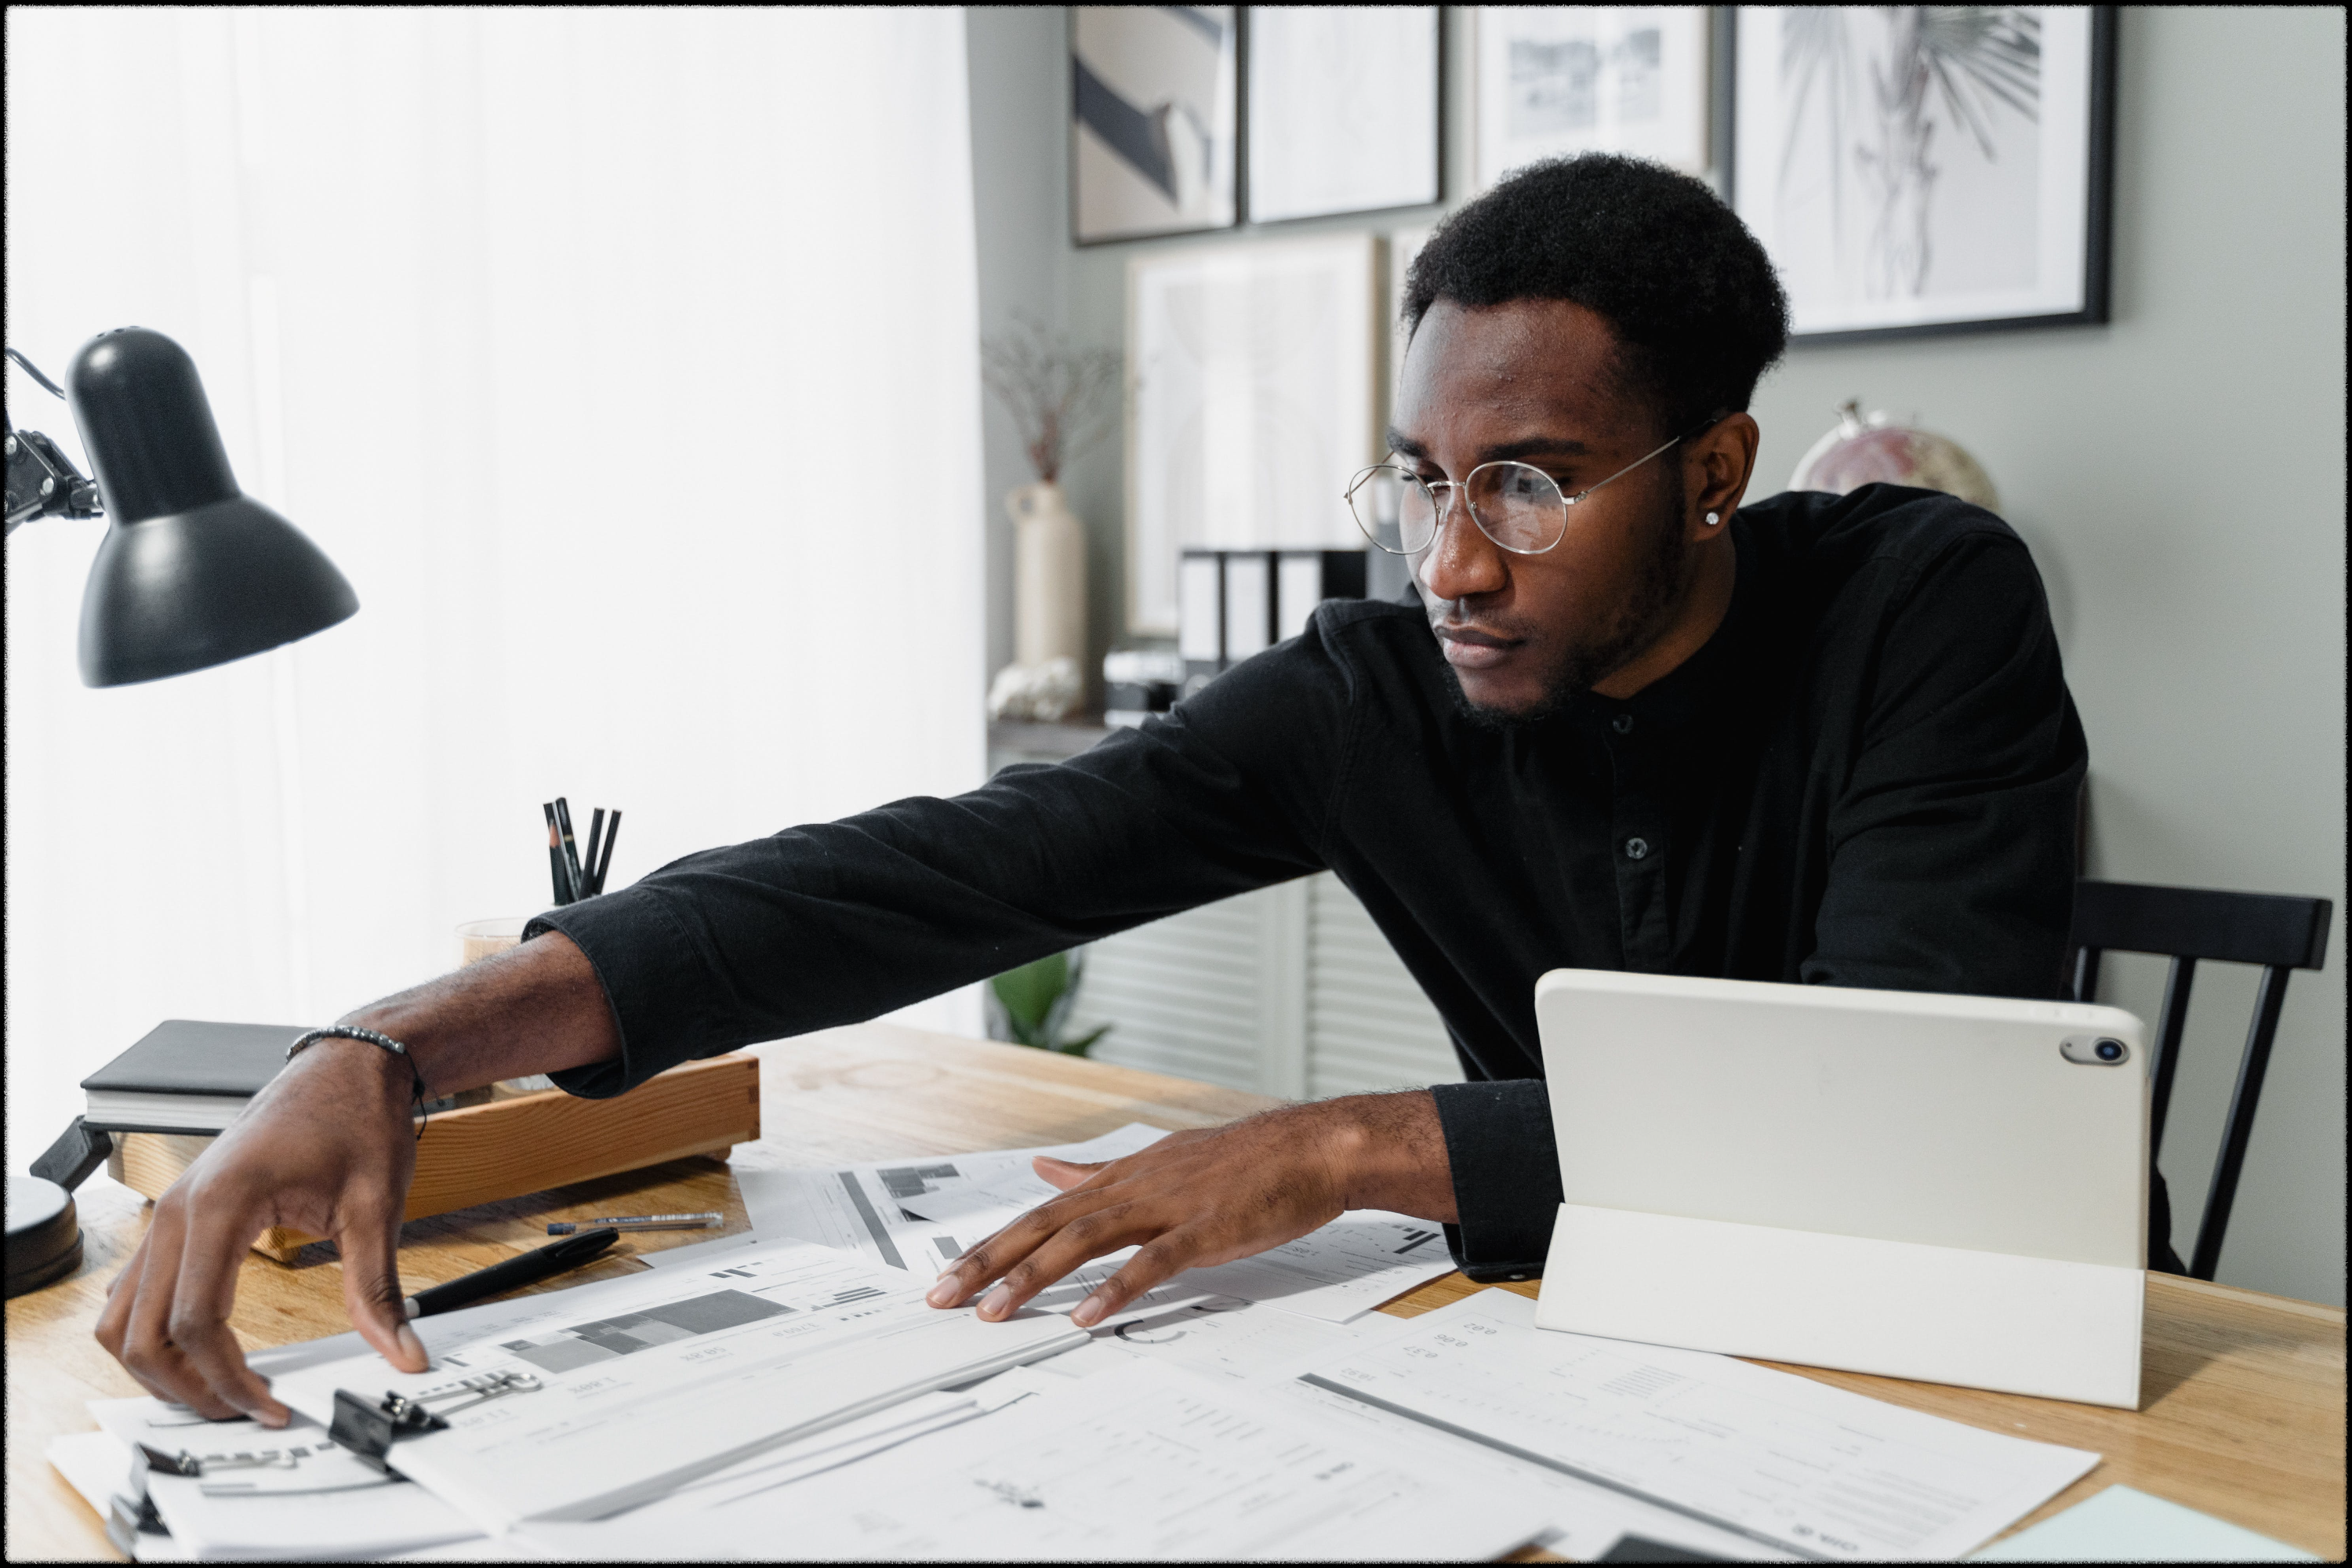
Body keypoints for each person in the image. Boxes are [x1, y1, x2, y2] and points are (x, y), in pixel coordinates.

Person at [97, 153, 2125, 1428]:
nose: (1453, 561)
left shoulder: (1922, 598)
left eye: (1524, 480)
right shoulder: (1378, 686)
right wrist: (386, 1045)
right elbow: (953, 876)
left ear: (1713, 472)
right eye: (1423, 478)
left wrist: (1334, 1146)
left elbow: (1892, 1085)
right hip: (1594, 1351)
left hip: (1950, 1356)